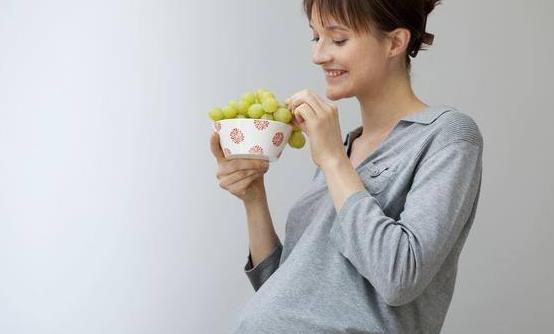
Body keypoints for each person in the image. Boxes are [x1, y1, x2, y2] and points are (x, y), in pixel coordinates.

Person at [209, 0, 483, 332]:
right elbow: (284, 293)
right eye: (316, 38)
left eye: (338, 39)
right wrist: (254, 198)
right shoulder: (345, 150)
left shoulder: (446, 135)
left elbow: (399, 276)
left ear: (395, 42)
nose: (319, 55)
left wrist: (333, 160)